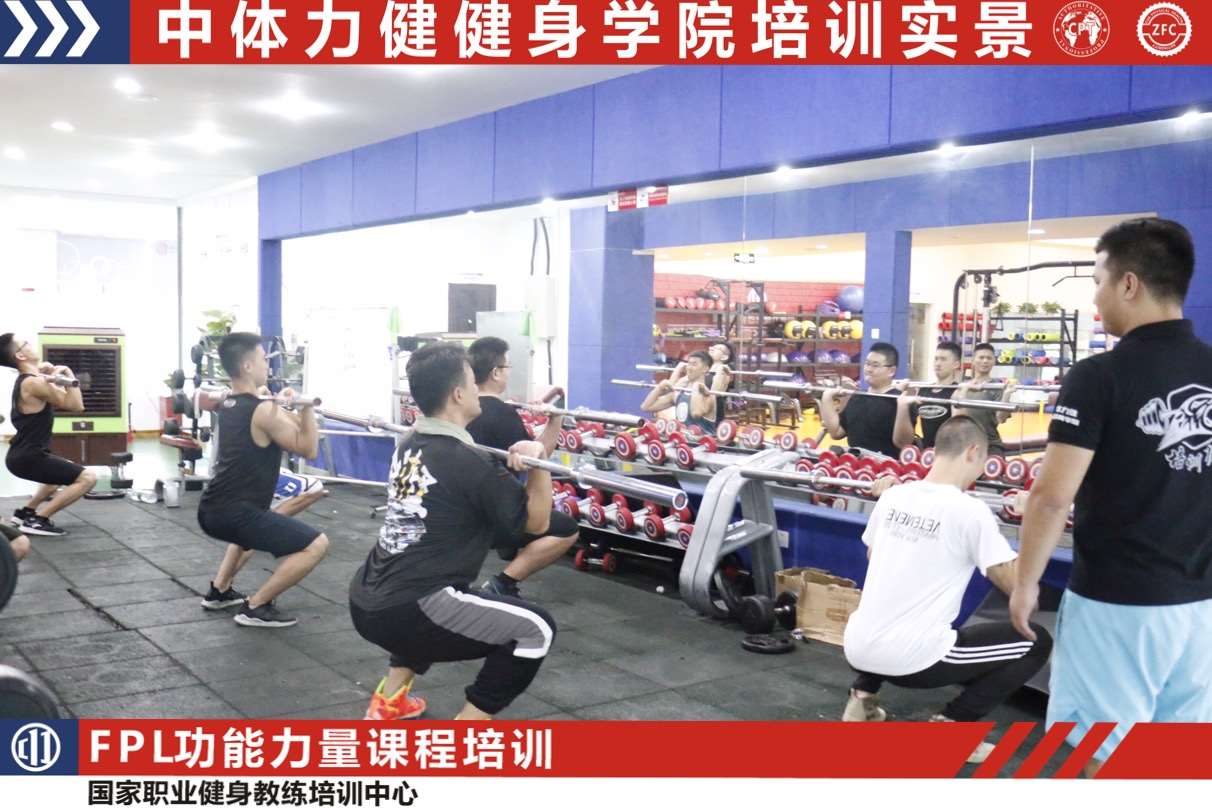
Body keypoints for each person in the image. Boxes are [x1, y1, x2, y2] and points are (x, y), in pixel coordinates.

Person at [1010, 218, 1212, 776]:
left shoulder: (1099, 375)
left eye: (1098, 282)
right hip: (1200, 609)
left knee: (1104, 758)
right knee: (1180, 761)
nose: (1095, 298)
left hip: (1118, 606)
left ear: (1128, 284)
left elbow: (1052, 499)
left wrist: (1025, 584)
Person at [348, 342, 557, 721]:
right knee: (536, 629)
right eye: (473, 382)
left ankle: (388, 704)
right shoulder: (470, 461)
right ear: (459, 394)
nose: (479, 389)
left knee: (435, 597)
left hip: (365, 598)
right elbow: (538, 523)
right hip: (408, 610)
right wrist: (538, 459)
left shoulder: (408, 443)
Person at [843, 416, 1053, 764]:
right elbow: (1022, 592)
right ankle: (951, 725)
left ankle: (861, 698)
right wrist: (1032, 518)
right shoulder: (971, 511)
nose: (981, 472)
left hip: (856, 646)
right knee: (1037, 642)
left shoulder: (894, 496)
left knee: (896, 608)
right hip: (914, 662)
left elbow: (874, 554)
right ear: (972, 452)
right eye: (983, 462)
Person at [195, 333, 329, 629]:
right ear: (247, 366)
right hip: (234, 514)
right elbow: (309, 448)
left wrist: (285, 405)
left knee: (254, 529)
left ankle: (219, 591)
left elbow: (282, 421)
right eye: (263, 360)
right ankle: (256, 606)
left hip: (213, 509)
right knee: (316, 545)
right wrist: (307, 407)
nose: (267, 365)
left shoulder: (229, 402)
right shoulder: (262, 409)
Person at [466, 336, 578, 597]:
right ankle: (502, 583)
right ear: (495, 373)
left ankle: (509, 541)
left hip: (464, 504)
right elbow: (537, 458)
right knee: (567, 529)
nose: (508, 372)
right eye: (507, 367)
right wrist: (556, 420)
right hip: (487, 515)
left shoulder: (461, 408)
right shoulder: (501, 413)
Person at [0, 333, 97, 536]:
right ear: (20, 356)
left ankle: (25, 513)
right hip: (28, 457)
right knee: (87, 478)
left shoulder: (29, 380)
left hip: (22, 455)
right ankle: (38, 520)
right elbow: (76, 405)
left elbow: (44, 383)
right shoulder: (33, 383)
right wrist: (69, 374)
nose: (31, 344)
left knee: (57, 476)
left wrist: (45, 372)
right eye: (26, 344)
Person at [820, 342, 910, 459]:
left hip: (886, 466)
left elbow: (903, 444)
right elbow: (836, 432)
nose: (868, 369)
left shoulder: (900, 401)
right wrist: (826, 398)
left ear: (891, 371)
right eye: (867, 364)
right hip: (854, 464)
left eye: (875, 365)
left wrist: (902, 408)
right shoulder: (857, 398)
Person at [893, 341, 962, 450]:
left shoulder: (958, 391)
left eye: (943, 359)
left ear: (956, 365)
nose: (938, 363)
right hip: (922, 451)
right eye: (936, 359)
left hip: (946, 451)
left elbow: (958, 430)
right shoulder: (923, 390)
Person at [950, 343, 1016, 456]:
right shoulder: (962, 387)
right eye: (981, 357)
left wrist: (1007, 395)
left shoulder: (997, 388)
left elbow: (1001, 418)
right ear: (973, 360)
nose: (985, 361)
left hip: (990, 444)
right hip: (965, 443)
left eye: (989, 358)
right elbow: (955, 417)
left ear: (994, 361)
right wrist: (965, 390)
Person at [639, 350, 722, 433]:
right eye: (688, 364)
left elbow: (696, 413)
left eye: (694, 364)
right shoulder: (679, 393)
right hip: (680, 439)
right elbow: (646, 407)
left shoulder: (709, 395)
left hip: (702, 440)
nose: (689, 368)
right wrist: (659, 388)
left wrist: (696, 387)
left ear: (705, 369)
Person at [707, 342, 735, 423]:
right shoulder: (705, 368)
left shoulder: (725, 370)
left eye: (717, 348)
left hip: (714, 409)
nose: (711, 349)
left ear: (724, 357)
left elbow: (715, 392)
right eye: (712, 347)